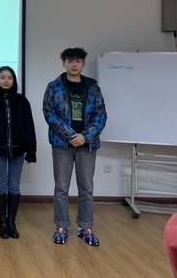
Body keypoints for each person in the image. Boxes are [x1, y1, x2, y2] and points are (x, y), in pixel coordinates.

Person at [43, 48, 107, 246]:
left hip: (87, 145)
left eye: (78, 60)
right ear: (64, 63)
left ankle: (85, 227)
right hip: (62, 144)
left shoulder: (93, 87)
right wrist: (71, 135)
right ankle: (61, 227)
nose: (74, 64)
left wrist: (85, 136)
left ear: (83, 63)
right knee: (61, 188)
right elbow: (49, 113)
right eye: (70, 60)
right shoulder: (54, 86)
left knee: (86, 188)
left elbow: (101, 115)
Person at [0, 66, 37, 239]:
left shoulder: (21, 101)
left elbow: (29, 126)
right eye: (2, 77)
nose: (6, 80)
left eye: (9, 77)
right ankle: (2, 223)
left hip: (18, 150)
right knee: (0, 185)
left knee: (14, 186)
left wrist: (31, 150)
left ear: (14, 81)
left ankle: (11, 222)